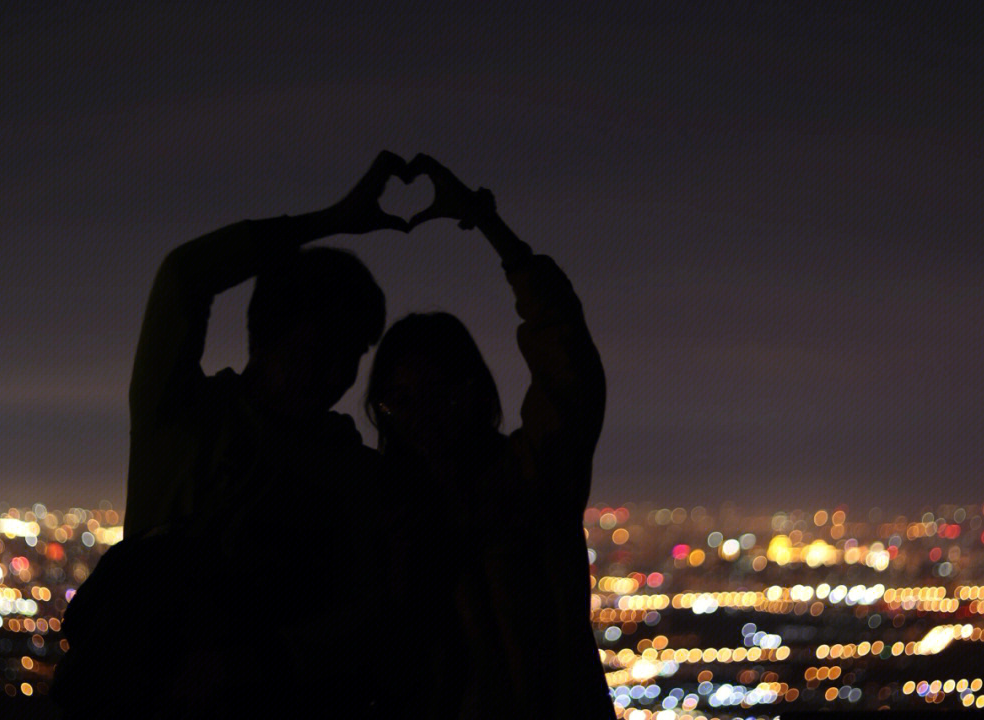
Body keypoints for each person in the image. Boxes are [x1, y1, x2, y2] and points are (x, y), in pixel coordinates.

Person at [53, 151, 412, 717]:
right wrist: (328, 220)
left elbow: (364, 615)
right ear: (265, 336)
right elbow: (184, 278)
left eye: (351, 355)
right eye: (317, 349)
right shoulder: (185, 416)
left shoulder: (350, 471)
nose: (334, 374)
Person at [367, 155, 614, 718]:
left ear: (473, 392)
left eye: (438, 392)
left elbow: (568, 366)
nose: (421, 414)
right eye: (401, 399)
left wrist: (496, 233)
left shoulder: (531, 481)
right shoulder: (375, 510)